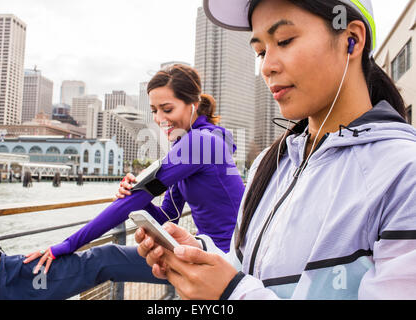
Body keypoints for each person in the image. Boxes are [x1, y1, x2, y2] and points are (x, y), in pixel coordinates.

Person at [136, 0, 416, 300]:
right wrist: (202, 257)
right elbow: (249, 270)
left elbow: (242, 289)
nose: (267, 67)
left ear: (352, 39)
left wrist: (231, 292)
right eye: (261, 51)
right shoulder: (268, 165)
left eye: (284, 41)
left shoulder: (403, 172)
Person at [0, 64, 245, 299]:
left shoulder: (201, 144)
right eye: (154, 110)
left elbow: (136, 203)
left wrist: (66, 244)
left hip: (223, 261)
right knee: (105, 258)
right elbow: (169, 216)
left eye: (167, 109)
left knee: (103, 258)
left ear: (192, 105)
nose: (159, 119)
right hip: (210, 250)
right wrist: (138, 197)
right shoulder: (197, 143)